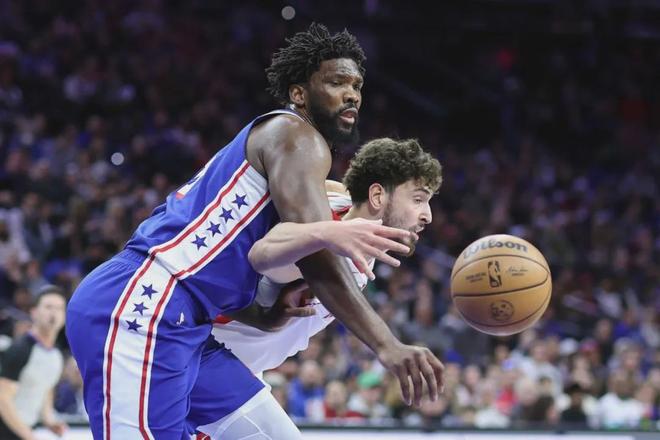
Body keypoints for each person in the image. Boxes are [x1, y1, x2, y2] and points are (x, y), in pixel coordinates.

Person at [65, 23, 443, 439]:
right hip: (148, 304)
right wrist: (387, 344)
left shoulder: (301, 160)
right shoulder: (296, 136)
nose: (352, 94)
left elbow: (232, 260)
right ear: (299, 93)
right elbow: (314, 257)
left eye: (357, 85)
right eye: (337, 82)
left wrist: (260, 313)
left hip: (190, 321)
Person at [189, 137, 442, 438]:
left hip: (239, 367)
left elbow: (336, 191)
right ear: (377, 196)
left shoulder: (338, 200)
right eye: (418, 199)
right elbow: (263, 252)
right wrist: (324, 234)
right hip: (203, 357)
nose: (428, 215)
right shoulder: (326, 245)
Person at [0, 285, 68, 440]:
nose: (54, 313)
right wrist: (29, 436)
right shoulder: (20, 349)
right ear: (34, 312)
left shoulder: (56, 355)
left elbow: (45, 389)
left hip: (24, 431)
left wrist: (49, 420)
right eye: (48, 307)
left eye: (59, 308)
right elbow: (3, 399)